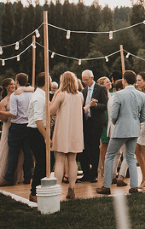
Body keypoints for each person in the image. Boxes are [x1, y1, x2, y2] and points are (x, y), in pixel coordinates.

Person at [96, 70, 145, 195]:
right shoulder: (142, 95)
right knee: (130, 157)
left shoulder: (118, 95)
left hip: (120, 129)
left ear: (124, 81)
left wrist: (115, 122)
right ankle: (134, 186)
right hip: (134, 130)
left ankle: (106, 186)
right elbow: (144, 116)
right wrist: (136, 122)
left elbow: (113, 115)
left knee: (109, 156)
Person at [0, 73, 34, 187]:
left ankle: (9, 177)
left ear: (17, 82)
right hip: (29, 126)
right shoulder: (31, 93)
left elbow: (13, 113)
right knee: (27, 153)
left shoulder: (15, 96)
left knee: (13, 153)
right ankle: (27, 177)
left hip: (17, 127)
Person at [0, 78, 29, 185]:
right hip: (10, 126)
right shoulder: (4, 101)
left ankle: (20, 176)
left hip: (19, 126)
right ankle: (9, 175)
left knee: (21, 153)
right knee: (9, 152)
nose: (13, 85)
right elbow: (4, 120)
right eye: (10, 84)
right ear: (6, 87)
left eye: (13, 83)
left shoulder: (20, 94)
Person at [49, 71, 84, 200]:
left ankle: (57, 188)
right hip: (76, 131)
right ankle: (72, 188)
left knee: (59, 160)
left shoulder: (61, 94)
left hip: (63, 130)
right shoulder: (80, 95)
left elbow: (51, 112)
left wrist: (50, 102)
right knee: (72, 160)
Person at [78, 69, 108, 183]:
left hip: (96, 122)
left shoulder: (100, 89)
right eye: (83, 80)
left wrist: (95, 105)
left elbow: (105, 105)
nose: (84, 81)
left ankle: (94, 173)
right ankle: (86, 173)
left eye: (86, 79)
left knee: (94, 148)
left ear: (92, 78)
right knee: (84, 148)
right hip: (86, 122)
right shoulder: (83, 91)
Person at [27, 72, 51, 202]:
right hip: (36, 131)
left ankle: (39, 188)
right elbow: (38, 120)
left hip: (38, 130)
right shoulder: (38, 97)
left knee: (46, 161)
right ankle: (34, 192)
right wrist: (46, 136)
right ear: (46, 82)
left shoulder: (42, 96)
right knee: (42, 162)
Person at [96, 76, 112, 179]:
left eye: (109, 81)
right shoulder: (101, 95)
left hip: (112, 120)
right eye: (107, 82)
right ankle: (103, 168)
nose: (109, 83)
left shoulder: (112, 94)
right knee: (104, 144)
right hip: (104, 120)